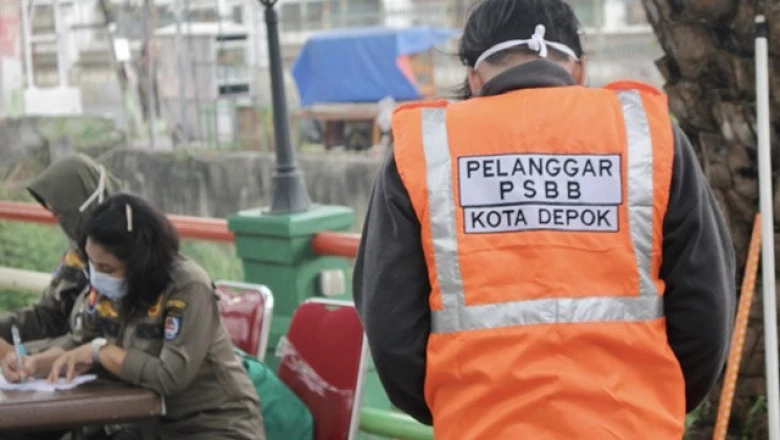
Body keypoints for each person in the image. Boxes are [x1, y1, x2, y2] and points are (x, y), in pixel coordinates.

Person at [352, 0, 737, 438]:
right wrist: (652, 399)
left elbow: (390, 325)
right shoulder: (649, 136)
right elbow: (706, 306)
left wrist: (455, 403)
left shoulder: (423, 149)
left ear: (474, 75)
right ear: (579, 69)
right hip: (633, 425)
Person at [4, 193, 266, 440]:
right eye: (92, 265)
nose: (96, 275)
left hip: (212, 426)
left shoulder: (187, 287)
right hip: (148, 426)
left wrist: (102, 352)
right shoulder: (110, 286)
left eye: (106, 267)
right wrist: (35, 364)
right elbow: (81, 339)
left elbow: (169, 376)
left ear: (141, 262)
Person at [0, 153, 120, 358]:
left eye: (63, 215)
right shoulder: (77, 253)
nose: (61, 224)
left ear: (84, 203)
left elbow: (94, 341)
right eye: (55, 215)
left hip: (105, 371)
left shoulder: (126, 253)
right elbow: (48, 316)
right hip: (62, 363)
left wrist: (22, 353)